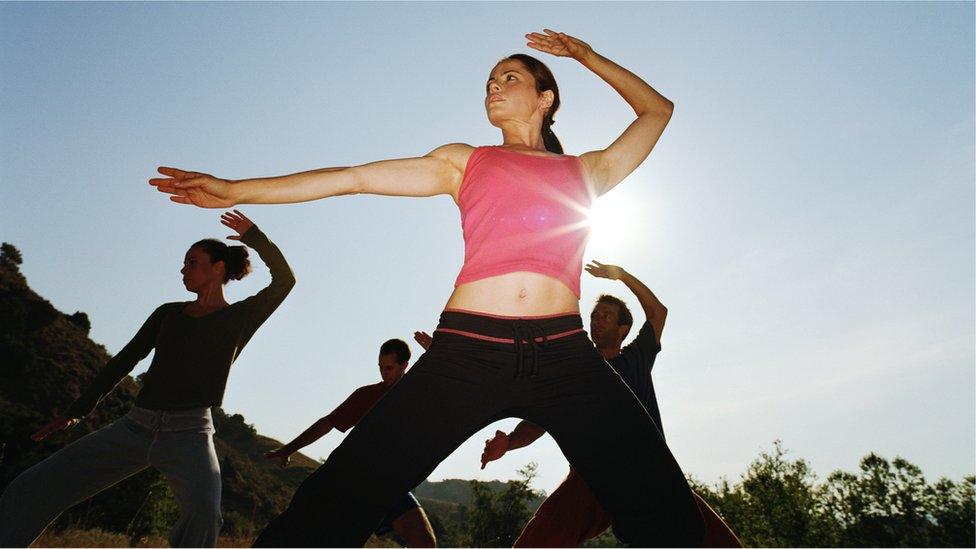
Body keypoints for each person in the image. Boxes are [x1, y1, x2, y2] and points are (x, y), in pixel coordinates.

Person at [150, 29, 704, 547]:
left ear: (546, 98)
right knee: (342, 496)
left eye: (510, 76)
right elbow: (355, 177)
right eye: (490, 79)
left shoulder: (586, 171)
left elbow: (657, 111)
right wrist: (233, 188)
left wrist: (586, 57)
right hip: (467, 352)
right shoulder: (464, 161)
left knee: (664, 508)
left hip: (565, 357)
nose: (494, 84)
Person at [0, 211, 295, 548]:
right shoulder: (167, 314)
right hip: (135, 428)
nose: (183, 269)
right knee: (31, 485)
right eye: (183, 263)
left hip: (191, 434)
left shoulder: (239, 317)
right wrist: (78, 410)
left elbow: (285, 280)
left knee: (205, 513)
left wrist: (254, 237)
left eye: (192, 262)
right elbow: (125, 360)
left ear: (218, 268)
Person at [478, 261, 742, 547]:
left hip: (648, 473)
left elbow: (658, 313)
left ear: (623, 329)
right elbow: (538, 422)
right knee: (536, 543)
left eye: (606, 315)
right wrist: (510, 443)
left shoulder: (635, 360)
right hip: (592, 477)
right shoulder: (575, 375)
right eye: (594, 315)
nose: (597, 320)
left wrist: (623, 276)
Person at [263, 339, 436, 548]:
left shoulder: (419, 391)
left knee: (425, 543)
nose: (383, 373)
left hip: (390, 484)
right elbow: (327, 423)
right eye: (380, 367)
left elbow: (448, 385)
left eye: (389, 368)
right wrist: (289, 448)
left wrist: (436, 352)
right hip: (354, 481)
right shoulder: (367, 395)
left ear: (404, 366)